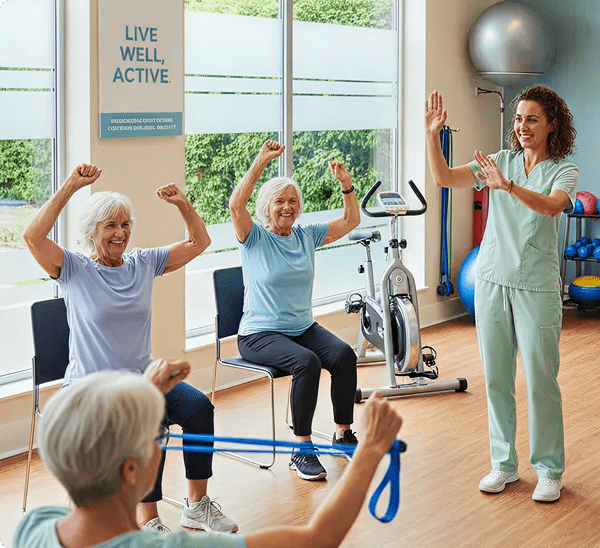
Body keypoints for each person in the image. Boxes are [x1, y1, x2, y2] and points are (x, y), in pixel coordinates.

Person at [22, 165, 237, 534]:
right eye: (110, 226)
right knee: (150, 420)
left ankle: (197, 505)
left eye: (125, 225)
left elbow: (199, 243)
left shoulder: (142, 263)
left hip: (143, 377)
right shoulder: (73, 269)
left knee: (199, 408)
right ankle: (148, 518)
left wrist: (183, 204)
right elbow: (32, 236)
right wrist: (72, 185)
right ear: (92, 233)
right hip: (92, 388)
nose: (120, 233)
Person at [13, 361, 403, 548]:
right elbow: (318, 539)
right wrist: (369, 450)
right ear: (130, 468)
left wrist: (143, 397)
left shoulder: (35, 526)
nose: (161, 441)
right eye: (157, 434)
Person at [424, 86, 578, 502]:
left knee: (541, 379)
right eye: (518, 119)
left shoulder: (564, 170)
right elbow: (443, 178)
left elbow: (549, 207)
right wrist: (431, 137)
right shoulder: (500, 161)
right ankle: (503, 464)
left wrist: (506, 187)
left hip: (536, 285)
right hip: (492, 280)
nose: (523, 126)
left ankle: (548, 469)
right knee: (495, 377)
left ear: (551, 125)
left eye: (532, 119)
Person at [229, 140, 360, 482]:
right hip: (259, 333)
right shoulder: (254, 237)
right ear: (266, 207)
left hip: (301, 327)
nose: (287, 207)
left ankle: (343, 433)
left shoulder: (305, 235)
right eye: (279, 201)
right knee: (307, 362)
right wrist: (260, 160)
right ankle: (301, 449)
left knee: (344, 355)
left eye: (292, 201)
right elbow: (234, 203)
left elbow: (350, 220)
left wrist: (346, 185)